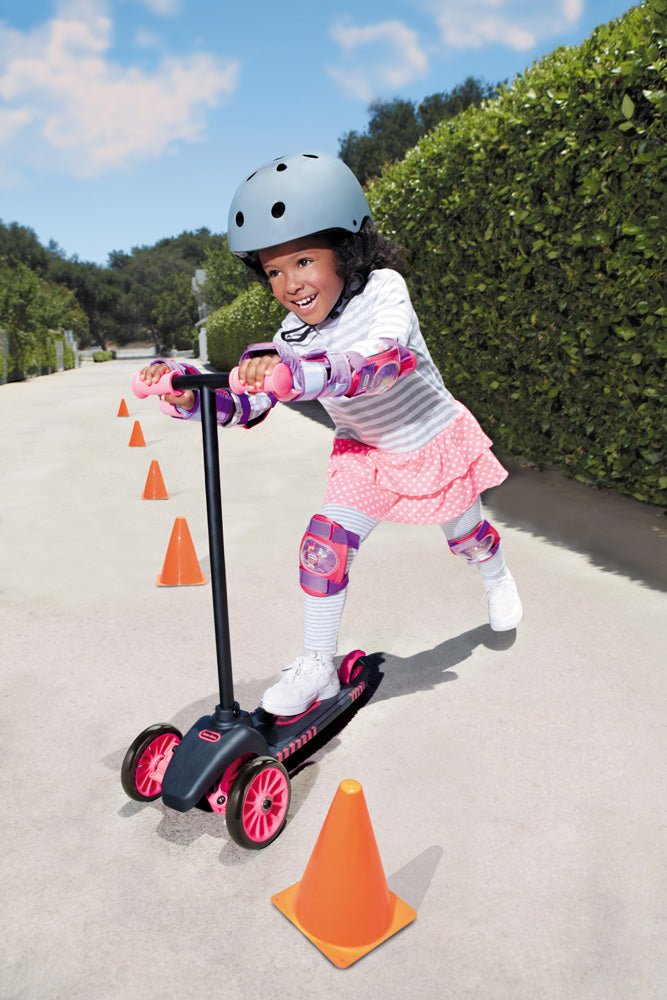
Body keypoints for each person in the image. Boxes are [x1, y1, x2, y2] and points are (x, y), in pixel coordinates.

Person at [139, 151, 523, 717]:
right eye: (273, 271)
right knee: (324, 545)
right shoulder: (289, 336)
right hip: (364, 454)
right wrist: (190, 394)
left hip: (427, 438)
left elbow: (382, 362)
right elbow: (248, 404)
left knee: (466, 535)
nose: (291, 284)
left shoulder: (384, 290)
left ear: (346, 250)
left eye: (303, 261)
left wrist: (303, 372)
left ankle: (495, 575)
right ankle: (317, 665)